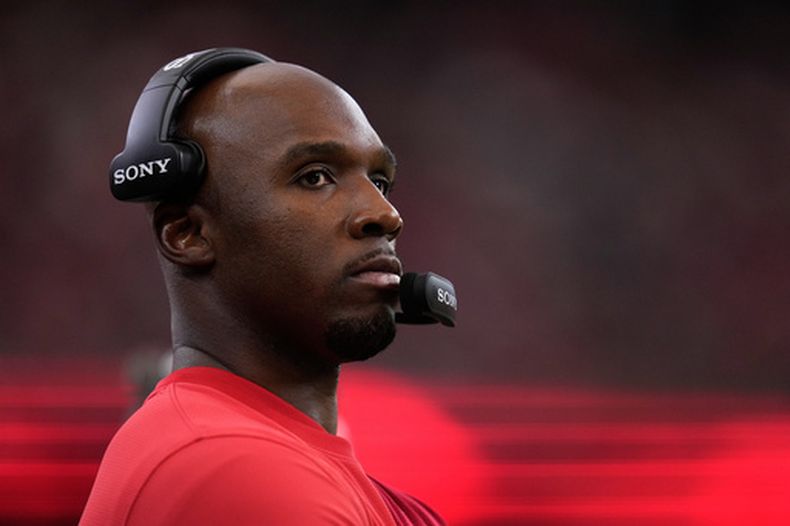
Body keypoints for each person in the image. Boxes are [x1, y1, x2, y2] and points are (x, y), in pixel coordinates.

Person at [80, 49, 445, 525]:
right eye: (316, 177)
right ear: (187, 233)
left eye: (380, 181)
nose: (385, 215)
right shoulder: (230, 468)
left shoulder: (338, 486)